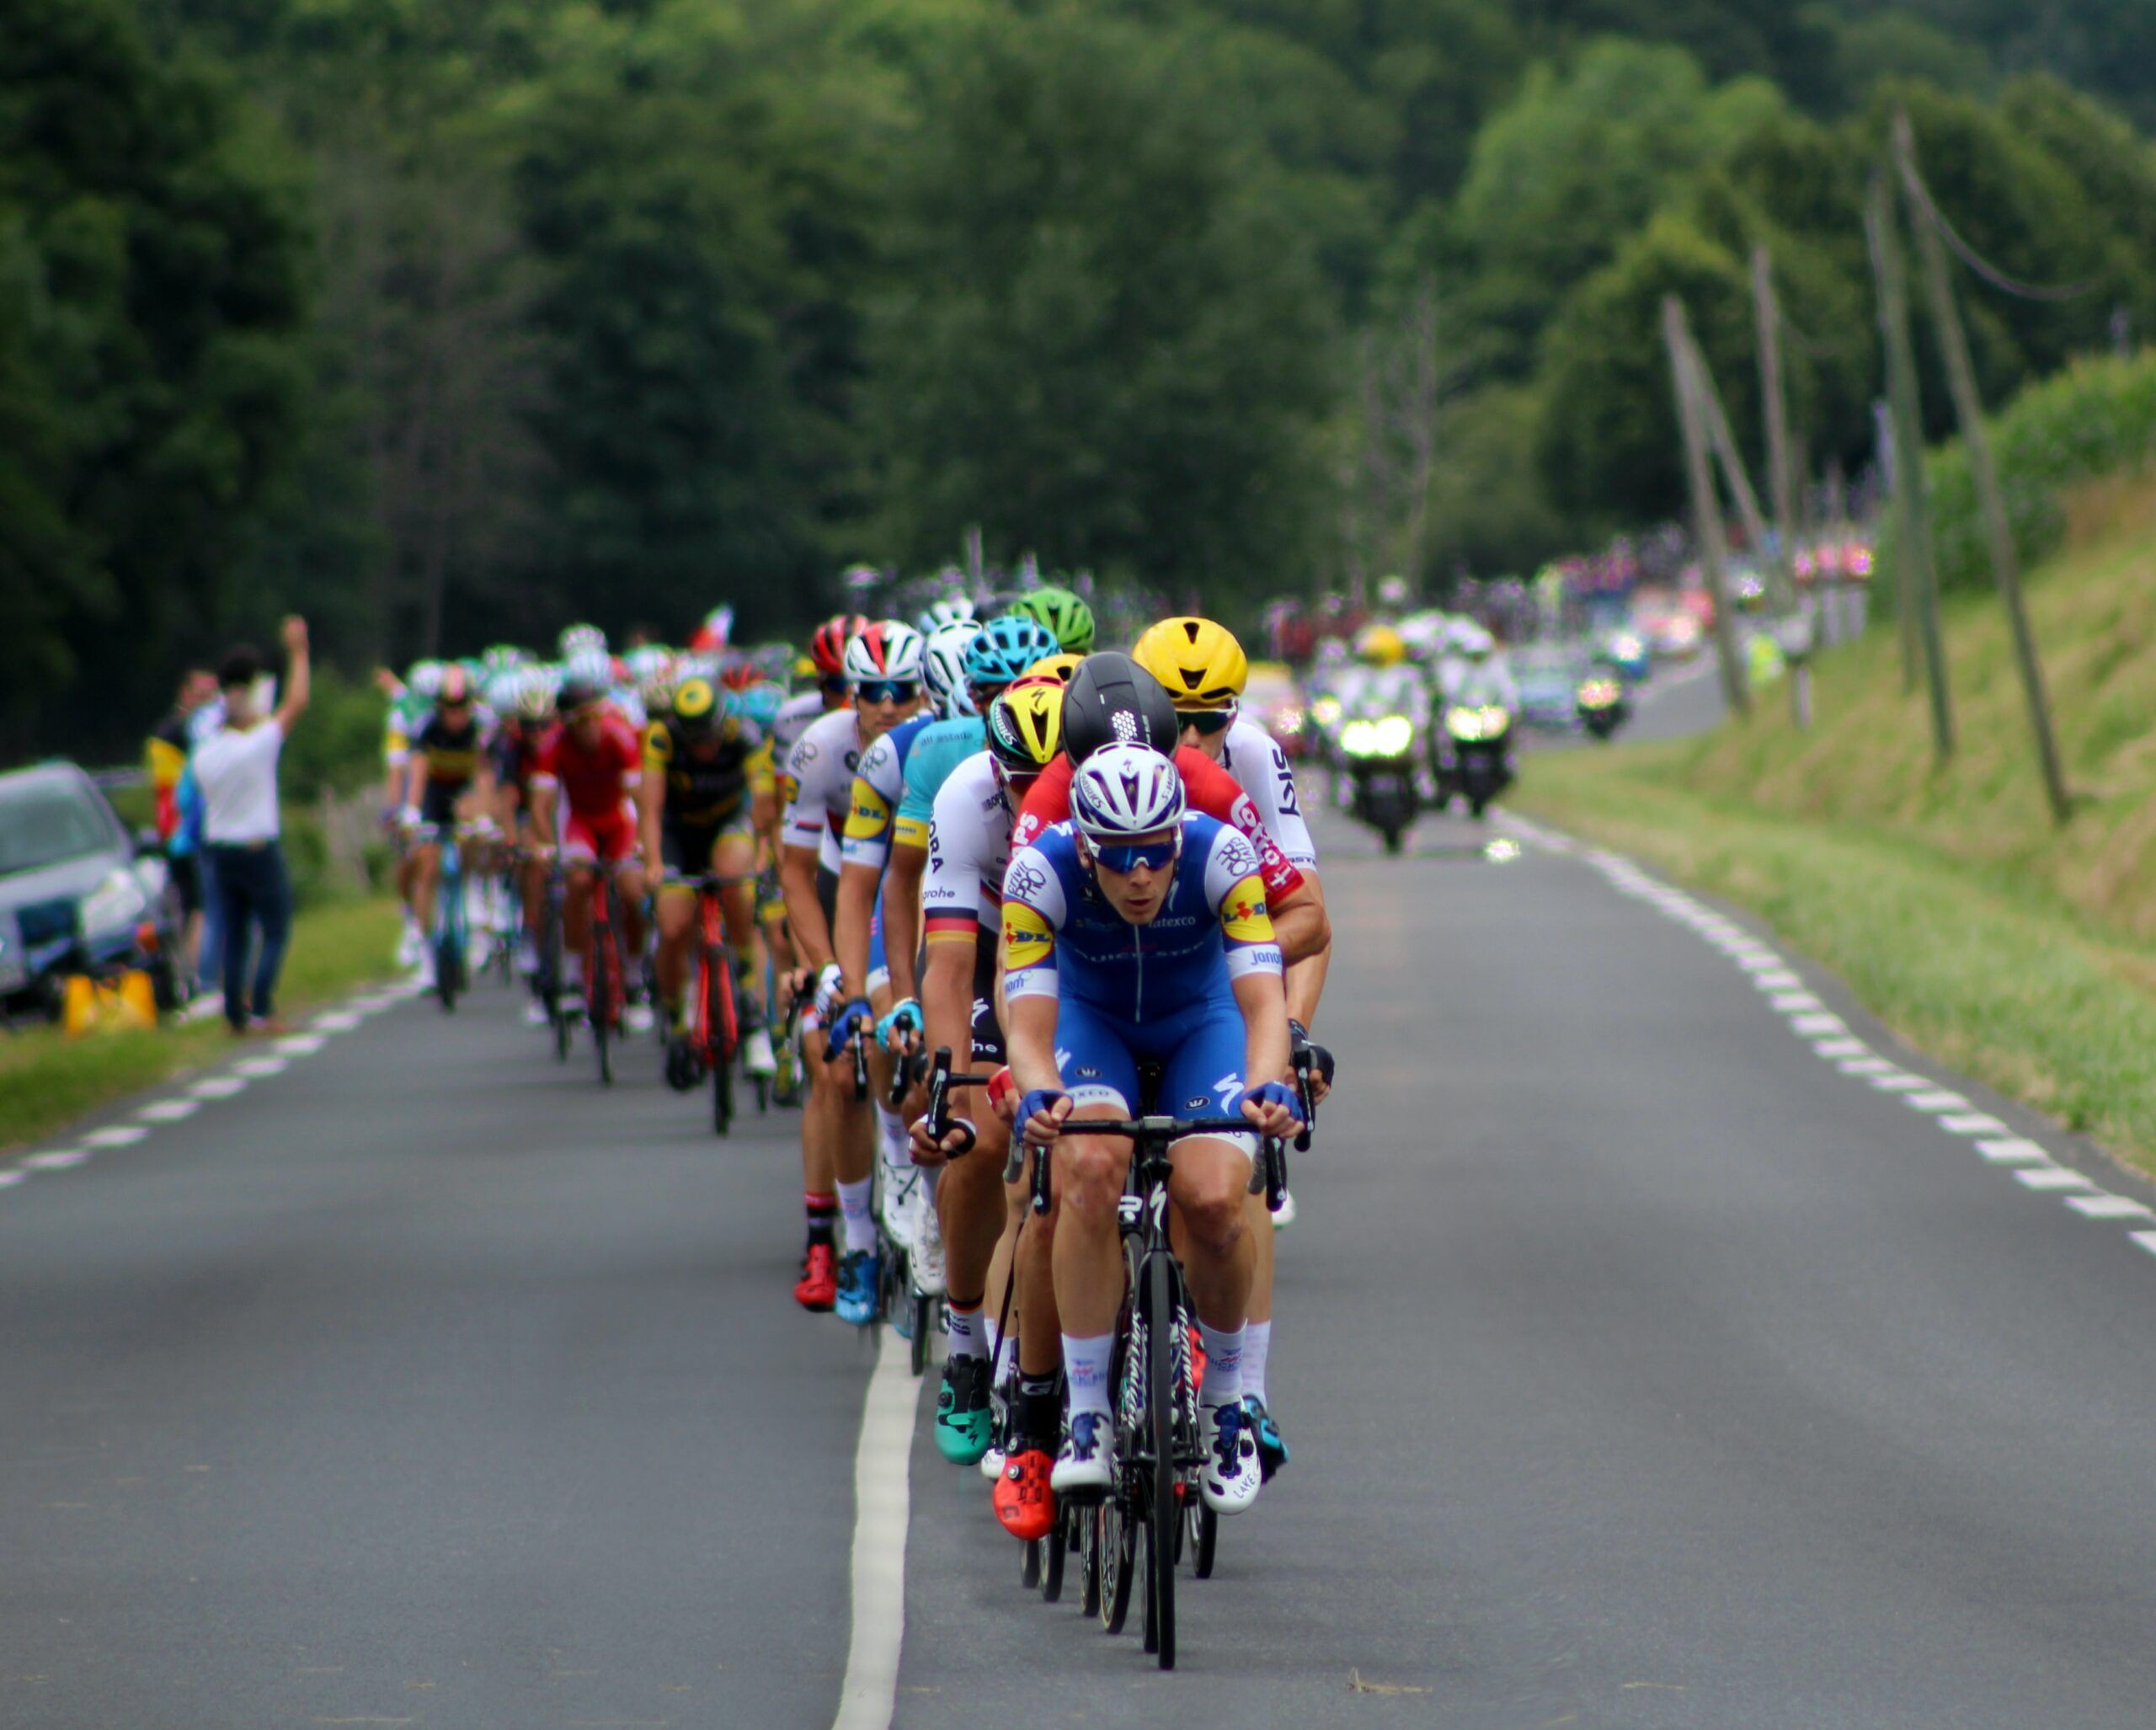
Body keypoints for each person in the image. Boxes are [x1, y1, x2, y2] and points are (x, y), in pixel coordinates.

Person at [1002, 742, 1302, 1522]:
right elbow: (1028, 1029)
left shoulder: (1221, 852)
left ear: (1178, 834)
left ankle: (1231, 1398)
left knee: (1211, 1201)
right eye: (1120, 858)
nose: (1140, 876)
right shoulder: (1040, 870)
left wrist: (1271, 1083)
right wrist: (1038, 1093)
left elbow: (1264, 1003)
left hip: (1201, 1020)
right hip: (1090, 1021)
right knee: (1092, 1171)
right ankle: (1088, 1416)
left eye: (1155, 854)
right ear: (1087, 844)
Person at [1133, 616, 1333, 1477]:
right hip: (1122, 979)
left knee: (1236, 1161)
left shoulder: (1252, 757)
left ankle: (1242, 1389)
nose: (1195, 736)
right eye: (1177, 716)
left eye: (1211, 715)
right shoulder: (1113, 768)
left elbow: (1313, 922)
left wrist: (1285, 1033)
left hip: (1225, 969)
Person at [777, 620, 926, 1317]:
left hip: (917, 902)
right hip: (844, 897)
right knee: (836, 1065)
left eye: (903, 691)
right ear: (849, 694)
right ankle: (859, 1247)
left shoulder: (938, 744)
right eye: (871, 692)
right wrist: (825, 967)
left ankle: (915, 1171)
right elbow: (796, 875)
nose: (888, 706)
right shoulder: (820, 749)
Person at [642, 674, 778, 1077]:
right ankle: (675, 1012)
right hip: (678, 834)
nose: (703, 748)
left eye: (710, 737)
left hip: (727, 825)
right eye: (694, 740)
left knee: (737, 876)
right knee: (671, 925)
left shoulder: (745, 734)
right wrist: (652, 862)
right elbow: (649, 810)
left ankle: (749, 983)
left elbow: (764, 805)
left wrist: (764, 853)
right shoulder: (661, 737)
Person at [191, 617, 311, 1034]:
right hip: (258, 845)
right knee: (276, 928)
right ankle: (262, 1005)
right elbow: (296, 702)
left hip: (220, 847)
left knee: (235, 933)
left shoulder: (205, 754)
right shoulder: (256, 746)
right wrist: (299, 651)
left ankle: (233, 1014)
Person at [526, 680, 652, 1029]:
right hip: (580, 822)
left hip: (618, 822)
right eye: (581, 721)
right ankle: (571, 973)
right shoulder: (554, 745)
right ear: (566, 723)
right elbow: (541, 804)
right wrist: (545, 843)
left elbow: (639, 797)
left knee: (631, 889)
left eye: (594, 717)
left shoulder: (620, 736)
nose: (590, 727)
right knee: (577, 881)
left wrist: (643, 841)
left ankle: (634, 976)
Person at [400, 665, 497, 988]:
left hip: (465, 793)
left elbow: (484, 775)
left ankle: (471, 892)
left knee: (473, 831)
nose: (456, 714)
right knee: (427, 867)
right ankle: (427, 958)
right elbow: (418, 772)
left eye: (462, 706)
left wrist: (483, 814)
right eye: (449, 707)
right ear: (439, 706)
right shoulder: (426, 728)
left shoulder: (480, 728)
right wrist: (412, 811)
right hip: (434, 795)